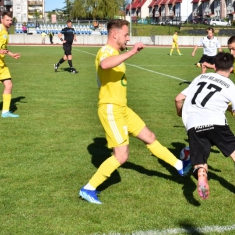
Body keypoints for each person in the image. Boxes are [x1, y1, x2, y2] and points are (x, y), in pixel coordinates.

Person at [79, 19, 191, 204]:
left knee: (150, 137)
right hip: (110, 109)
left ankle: (180, 166)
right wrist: (131, 52)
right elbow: (105, 65)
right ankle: (89, 188)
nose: (128, 38)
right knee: (121, 155)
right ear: (115, 35)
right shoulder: (106, 51)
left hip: (122, 108)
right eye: (125, 35)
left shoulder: (114, 52)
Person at [175, 52, 235, 204]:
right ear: (231, 69)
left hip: (194, 125)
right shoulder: (231, 86)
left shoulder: (199, 78)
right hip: (217, 124)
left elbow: (178, 98)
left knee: (201, 161)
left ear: (215, 66)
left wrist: (181, 113)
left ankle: (201, 171)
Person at [0, 11, 20, 118]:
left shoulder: (6, 32)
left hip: (1, 64)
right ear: (2, 20)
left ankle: (5, 112)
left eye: (11, 20)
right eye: (7, 19)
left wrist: (11, 54)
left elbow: (4, 48)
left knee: (9, 84)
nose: (10, 22)